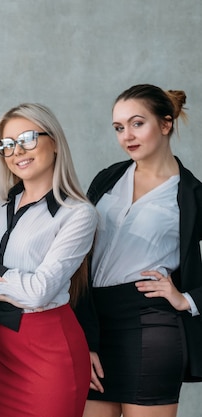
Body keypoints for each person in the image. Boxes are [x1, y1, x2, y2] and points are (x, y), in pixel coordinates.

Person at [0, 103, 97, 417]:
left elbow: (40, 292)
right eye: (7, 145)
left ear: (54, 142)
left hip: (53, 358)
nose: (16, 151)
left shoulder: (79, 214)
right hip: (4, 354)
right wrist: (10, 285)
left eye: (27, 138)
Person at [79, 84, 202, 417]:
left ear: (165, 124)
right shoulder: (107, 179)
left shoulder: (190, 194)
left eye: (137, 123)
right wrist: (84, 339)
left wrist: (187, 299)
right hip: (95, 325)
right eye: (119, 127)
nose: (126, 136)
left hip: (150, 324)